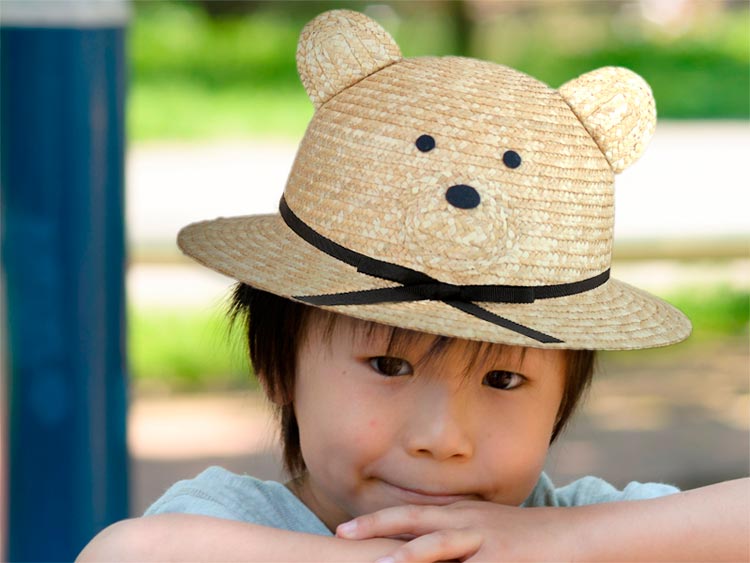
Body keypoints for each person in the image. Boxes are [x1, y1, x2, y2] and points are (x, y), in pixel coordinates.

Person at [78, 9, 748, 562]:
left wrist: (570, 541)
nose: (442, 436)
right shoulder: (236, 527)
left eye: (504, 380)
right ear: (276, 365)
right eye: (388, 363)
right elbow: (127, 552)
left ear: (564, 397)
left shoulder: (570, 529)